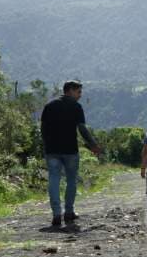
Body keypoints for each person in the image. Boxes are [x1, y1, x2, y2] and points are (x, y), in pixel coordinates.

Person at [40, 80, 101, 227]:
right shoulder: (76, 107)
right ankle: (68, 212)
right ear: (70, 90)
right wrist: (93, 145)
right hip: (70, 150)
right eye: (78, 92)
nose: (80, 95)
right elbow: (82, 129)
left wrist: (47, 144)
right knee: (71, 180)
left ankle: (56, 214)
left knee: (53, 179)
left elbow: (43, 128)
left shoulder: (49, 106)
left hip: (52, 150)